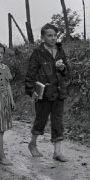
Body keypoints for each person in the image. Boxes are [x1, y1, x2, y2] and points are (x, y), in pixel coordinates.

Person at [25, 23, 70, 162]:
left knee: (58, 121)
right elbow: (30, 73)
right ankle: (32, 144)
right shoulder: (38, 53)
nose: (53, 38)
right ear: (43, 37)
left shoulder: (60, 51)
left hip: (58, 92)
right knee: (41, 120)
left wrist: (62, 68)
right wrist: (31, 90)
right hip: (43, 93)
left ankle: (57, 152)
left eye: (55, 35)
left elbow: (67, 72)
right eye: (49, 35)